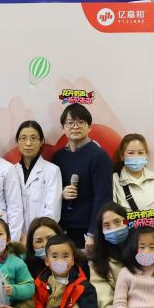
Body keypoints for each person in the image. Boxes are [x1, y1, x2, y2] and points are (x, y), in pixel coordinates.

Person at [54, 104, 113, 247]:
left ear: (89, 127)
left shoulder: (99, 156)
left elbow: (103, 198)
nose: (75, 127)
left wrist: (93, 234)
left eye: (80, 122)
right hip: (62, 229)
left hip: (87, 231)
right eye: (70, 123)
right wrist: (61, 194)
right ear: (63, 128)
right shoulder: (58, 157)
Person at [111, 133, 154, 230]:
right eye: (131, 153)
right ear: (122, 156)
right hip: (127, 237)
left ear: (146, 155)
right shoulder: (114, 181)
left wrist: (150, 222)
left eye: (140, 153)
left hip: (153, 236)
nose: (136, 156)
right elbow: (112, 216)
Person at [15, 120, 62, 240]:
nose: (28, 143)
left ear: (41, 142)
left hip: (43, 237)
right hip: (17, 236)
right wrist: (18, 234)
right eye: (23, 138)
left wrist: (38, 235)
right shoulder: (12, 171)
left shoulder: (52, 170)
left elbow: (53, 210)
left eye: (33, 138)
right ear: (17, 142)